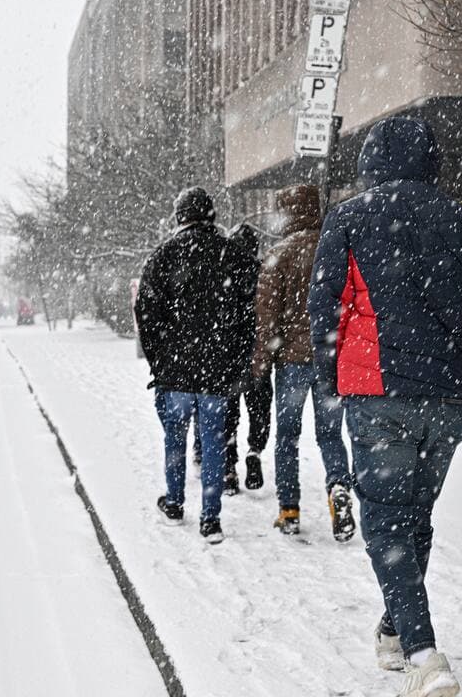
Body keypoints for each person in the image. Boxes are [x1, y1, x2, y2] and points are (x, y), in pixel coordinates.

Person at [308, 117, 462, 697]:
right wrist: (459, 378)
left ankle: (423, 654)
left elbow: (327, 313)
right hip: (443, 401)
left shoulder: (348, 218)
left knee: (387, 522)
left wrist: (336, 379)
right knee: (413, 516)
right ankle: (396, 632)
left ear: (371, 162)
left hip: (377, 396)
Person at [136, 187, 251, 544]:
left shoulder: (163, 256)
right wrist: (236, 361)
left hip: (176, 372)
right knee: (214, 442)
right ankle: (210, 517)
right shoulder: (231, 255)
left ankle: (174, 502)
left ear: (179, 218)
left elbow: (146, 312)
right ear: (212, 216)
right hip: (216, 370)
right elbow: (249, 316)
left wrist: (160, 360)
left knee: (175, 438)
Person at [252, 184, 355, 542]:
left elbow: (266, 316)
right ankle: (339, 488)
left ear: (288, 214)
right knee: (330, 435)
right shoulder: (336, 249)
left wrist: (261, 361)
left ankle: (289, 509)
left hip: (292, 360)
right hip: (330, 357)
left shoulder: (278, 254)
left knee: (288, 436)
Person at [222, 222, 272, 493]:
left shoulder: (222, 274)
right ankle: (255, 450)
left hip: (228, 356)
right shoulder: (263, 272)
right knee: (259, 409)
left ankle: (228, 468)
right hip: (258, 353)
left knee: (228, 413)